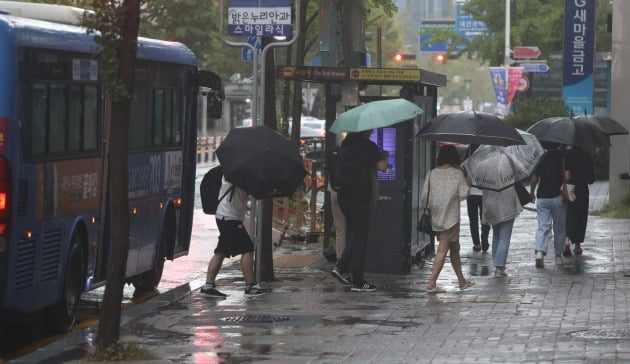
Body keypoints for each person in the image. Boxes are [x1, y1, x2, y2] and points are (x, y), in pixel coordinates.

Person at [330, 130, 389, 292]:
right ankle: (355, 278)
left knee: (356, 233)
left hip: (343, 196)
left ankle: (345, 270)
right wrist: (384, 156)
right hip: (360, 197)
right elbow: (383, 168)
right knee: (360, 237)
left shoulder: (344, 145)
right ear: (365, 131)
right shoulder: (368, 146)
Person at [200, 176, 268, 297]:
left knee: (221, 250)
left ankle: (208, 286)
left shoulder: (236, 173)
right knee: (247, 248)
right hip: (229, 217)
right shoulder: (234, 175)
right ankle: (250, 286)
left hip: (224, 215)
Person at [423, 145, 474, 293]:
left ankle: (462, 281)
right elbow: (464, 194)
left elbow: (424, 197)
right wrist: (467, 183)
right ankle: (431, 283)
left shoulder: (431, 173)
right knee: (443, 249)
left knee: (455, 248)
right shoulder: (457, 174)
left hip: (437, 217)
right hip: (451, 218)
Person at [529, 143, 570, 268]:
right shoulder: (563, 157)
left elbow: (534, 178)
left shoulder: (543, 157)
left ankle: (540, 252)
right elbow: (567, 177)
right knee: (559, 227)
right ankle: (558, 256)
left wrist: (531, 192)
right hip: (558, 197)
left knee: (543, 226)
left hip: (542, 197)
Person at [482, 185, 522, 276]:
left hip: (491, 205)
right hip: (508, 205)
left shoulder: (486, 172)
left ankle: (497, 265)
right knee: (504, 237)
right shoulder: (509, 170)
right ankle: (499, 266)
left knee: (496, 235)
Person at [563, 146, 595, 256]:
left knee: (569, 215)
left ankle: (567, 241)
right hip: (582, 191)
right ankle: (577, 246)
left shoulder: (566, 156)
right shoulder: (587, 157)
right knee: (581, 216)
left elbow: (566, 176)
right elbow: (591, 180)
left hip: (569, 189)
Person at [465, 145, 490, 252]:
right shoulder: (488, 162)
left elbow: (468, 181)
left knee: (473, 220)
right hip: (485, 194)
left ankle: (477, 244)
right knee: (485, 219)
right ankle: (484, 239)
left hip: (472, 194)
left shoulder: (470, 161)